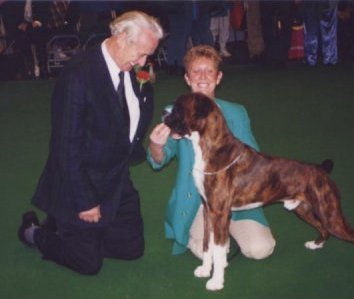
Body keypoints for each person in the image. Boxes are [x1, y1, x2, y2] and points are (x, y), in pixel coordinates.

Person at [18, 11, 163, 275]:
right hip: (79, 181)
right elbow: (65, 147)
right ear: (120, 38)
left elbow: (135, 110)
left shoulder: (133, 67)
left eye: (148, 56)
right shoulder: (78, 74)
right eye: (141, 53)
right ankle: (34, 232)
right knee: (88, 262)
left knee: (131, 249)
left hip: (115, 176)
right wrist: (85, 201)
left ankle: (69, 226)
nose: (144, 62)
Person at [147, 45, 276, 260]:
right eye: (196, 71)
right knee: (216, 253)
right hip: (198, 201)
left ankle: (227, 227)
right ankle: (187, 233)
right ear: (187, 78)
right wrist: (156, 145)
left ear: (219, 77)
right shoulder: (175, 112)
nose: (203, 77)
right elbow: (158, 160)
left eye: (209, 71)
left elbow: (254, 160)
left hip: (236, 198)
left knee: (260, 250)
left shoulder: (236, 111)